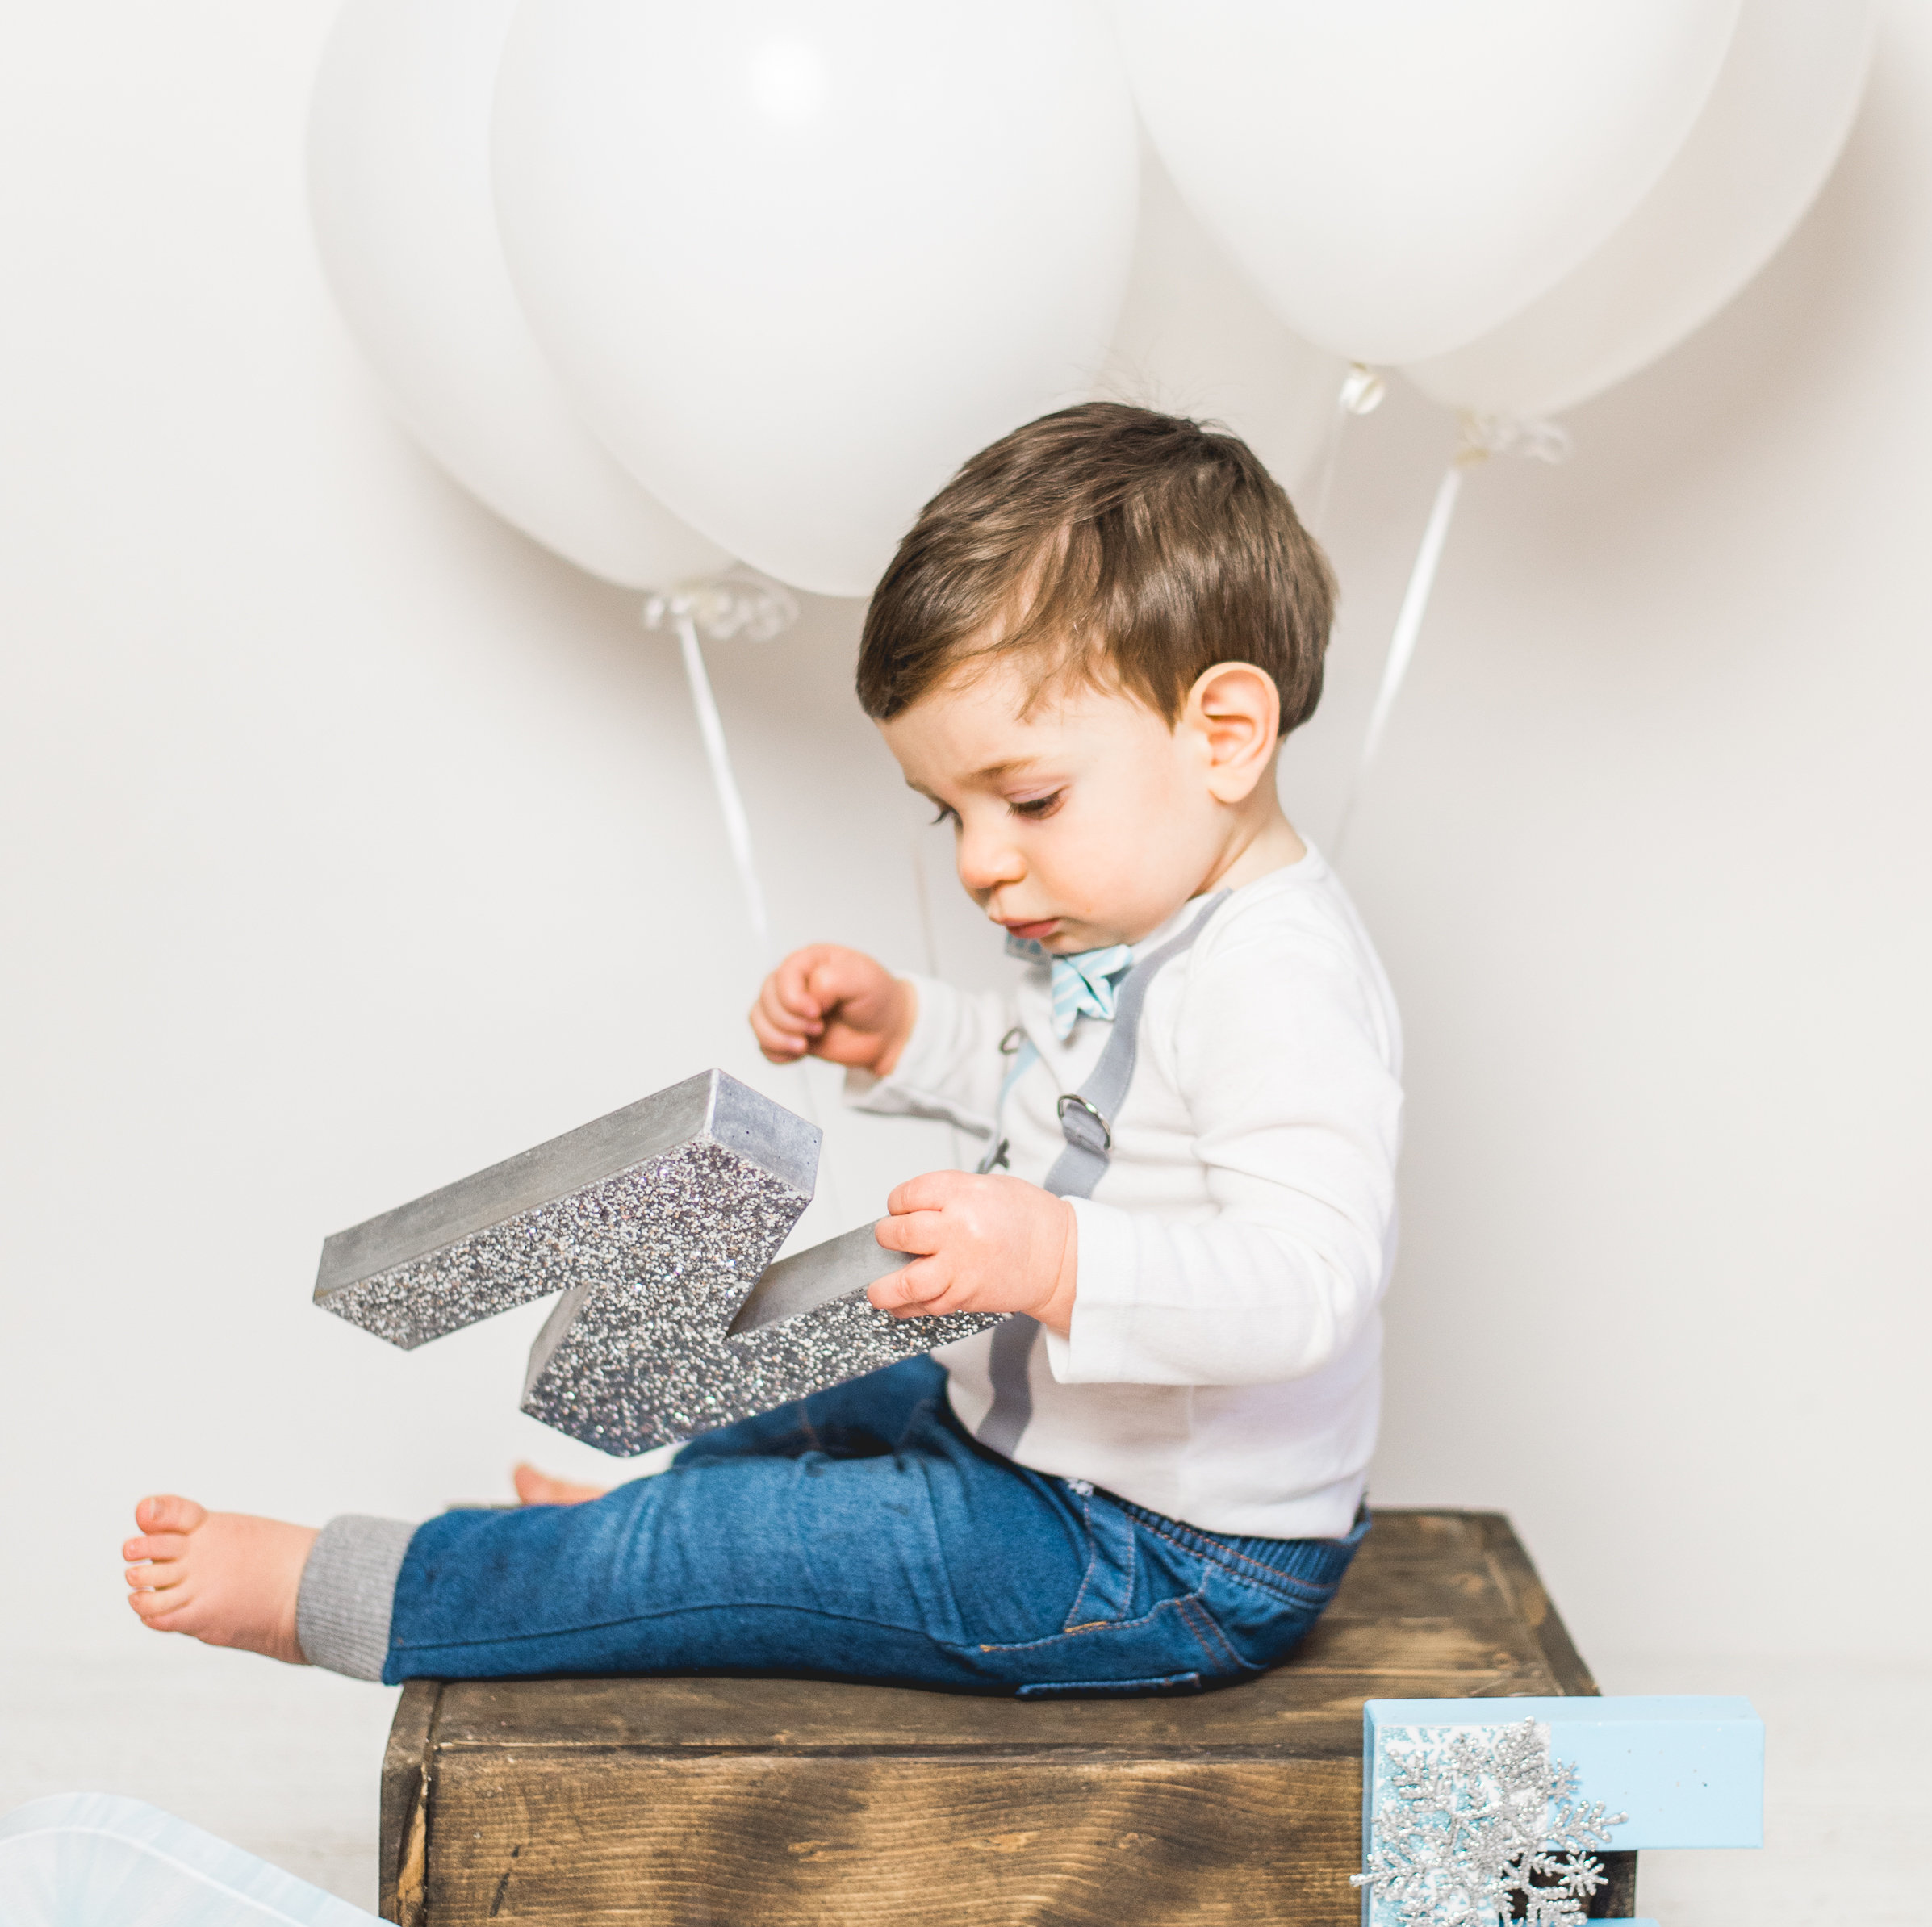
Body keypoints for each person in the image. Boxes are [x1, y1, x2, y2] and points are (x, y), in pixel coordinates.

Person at [122, 404, 1403, 1695]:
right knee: (780, 1387)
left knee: (729, 1539)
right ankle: (622, 1558)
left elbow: (1309, 1283)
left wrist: (1058, 1261)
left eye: (1028, 800)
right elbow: (1067, 1093)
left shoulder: (1278, 980)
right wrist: (906, 1031)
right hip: (1028, 1433)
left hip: (1156, 1553)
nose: (980, 862)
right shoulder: (1145, 919)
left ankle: (372, 1590)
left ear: (1222, 734)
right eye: (947, 814)